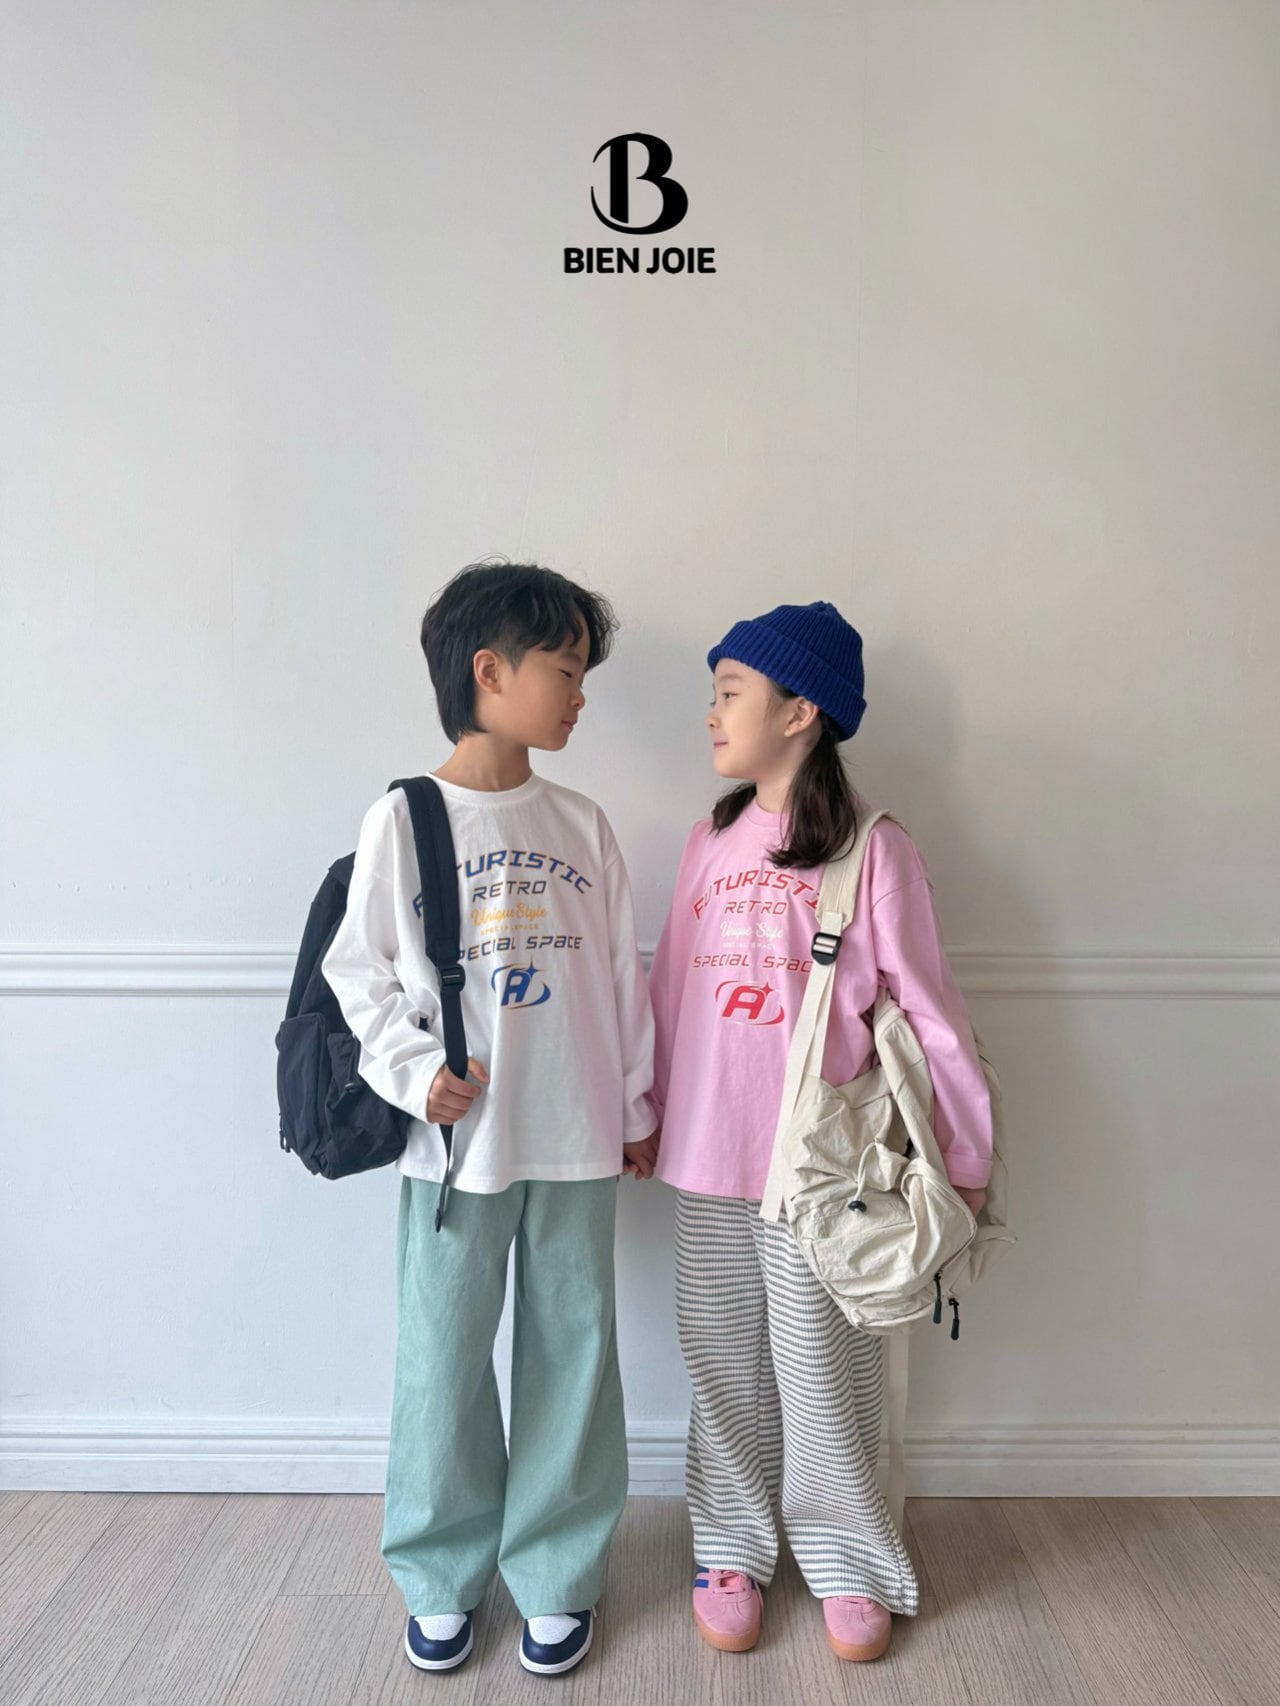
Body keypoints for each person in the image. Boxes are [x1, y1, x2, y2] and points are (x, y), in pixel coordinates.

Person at [322, 561, 657, 1678]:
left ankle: (556, 1573)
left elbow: (621, 978)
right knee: (442, 1363)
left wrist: (635, 1105)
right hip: (453, 1147)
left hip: (575, 1133)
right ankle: (439, 1571)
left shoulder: (580, 821)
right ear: (490, 670)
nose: (579, 695)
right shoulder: (404, 817)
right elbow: (358, 971)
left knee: (575, 1356)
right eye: (564, 669)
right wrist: (416, 1072)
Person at [643, 600, 991, 1662]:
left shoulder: (872, 850)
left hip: (821, 1169)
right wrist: (644, 1114)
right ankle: (729, 1547)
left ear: (800, 711)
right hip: (705, 1151)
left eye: (730, 693)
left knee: (822, 1366)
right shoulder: (708, 839)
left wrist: (965, 1159)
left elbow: (929, 1015)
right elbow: (669, 990)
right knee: (722, 1364)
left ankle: (847, 1558)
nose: (712, 714)